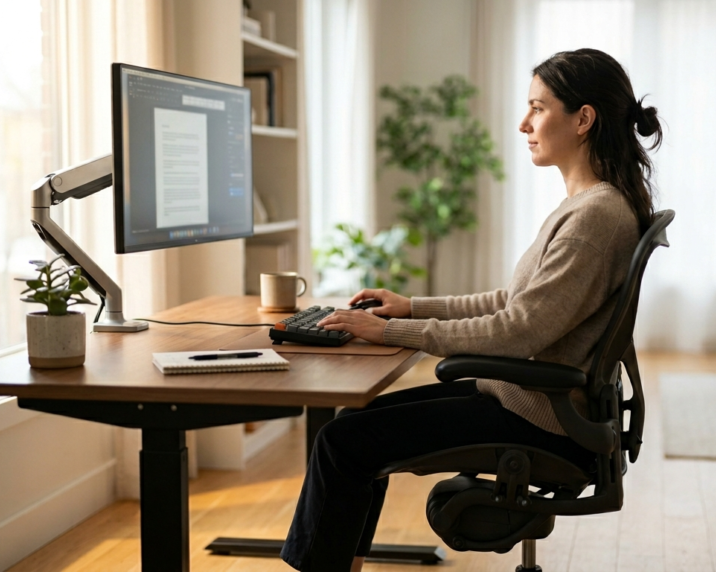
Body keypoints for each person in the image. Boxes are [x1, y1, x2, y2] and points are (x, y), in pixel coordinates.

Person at [280, 48, 663, 572]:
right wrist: (409, 307)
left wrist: (392, 330)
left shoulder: (595, 217)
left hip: (542, 418)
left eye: (538, 107)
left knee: (343, 443)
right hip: (534, 400)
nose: (524, 123)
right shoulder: (590, 204)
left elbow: (519, 330)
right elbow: (514, 302)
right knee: (353, 426)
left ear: (583, 119)